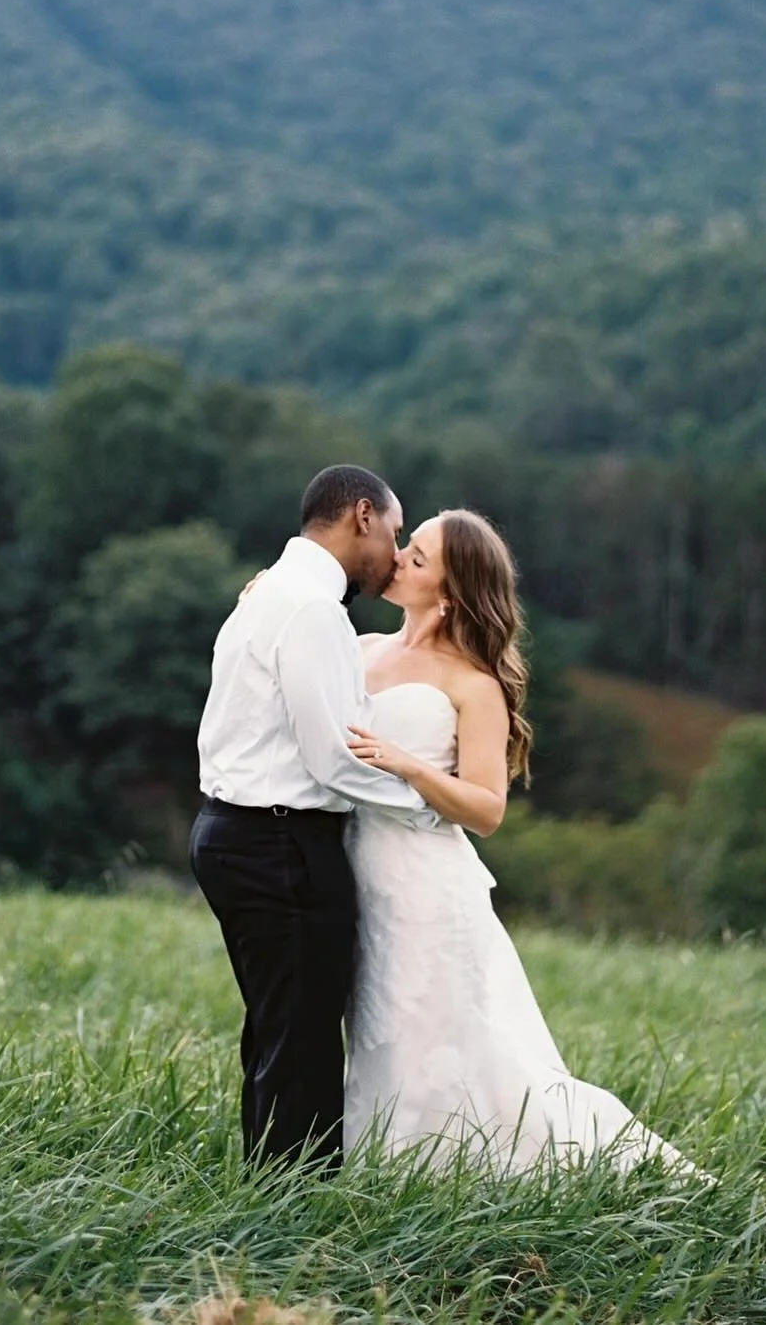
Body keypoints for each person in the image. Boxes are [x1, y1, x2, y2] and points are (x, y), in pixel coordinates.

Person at [343, 507, 699, 1177]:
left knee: (435, 1034)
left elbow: (485, 809)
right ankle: (381, 1164)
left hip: (426, 886)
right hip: (357, 869)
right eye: (406, 544)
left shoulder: (473, 686)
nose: (396, 558)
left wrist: (411, 765)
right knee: (374, 1031)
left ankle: (449, 1170)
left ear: (448, 596)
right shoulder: (360, 649)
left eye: (416, 558)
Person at [188, 464, 437, 1168]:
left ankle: (268, 1188)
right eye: (394, 532)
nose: (395, 553)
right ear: (362, 515)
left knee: (278, 1028)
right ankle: (295, 1205)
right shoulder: (311, 610)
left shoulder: (272, 591)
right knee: (301, 1035)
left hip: (237, 830)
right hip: (279, 842)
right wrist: (427, 809)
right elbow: (332, 757)